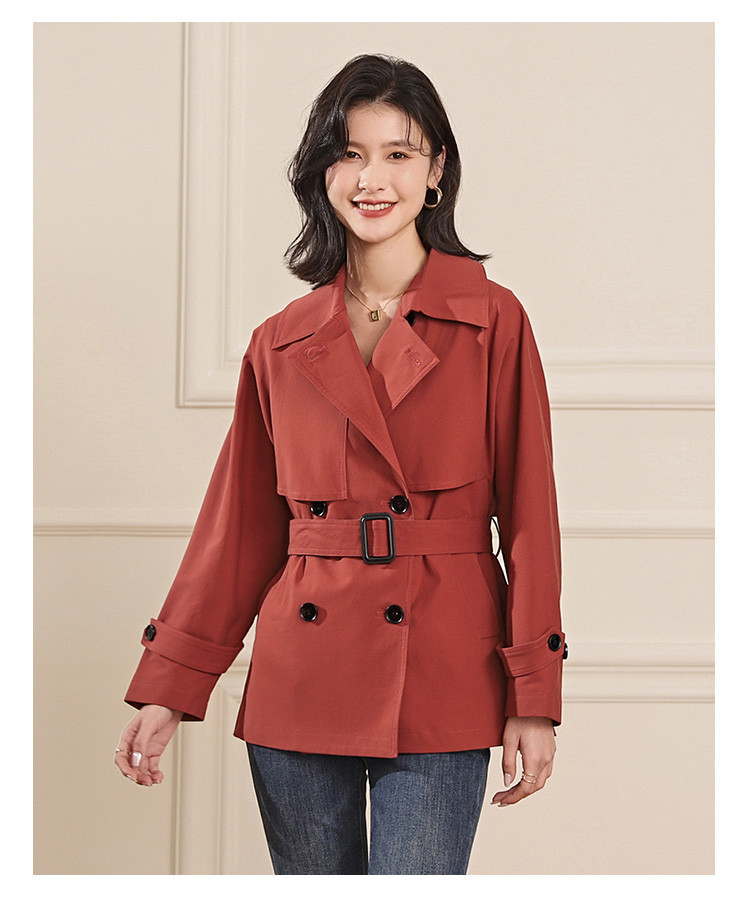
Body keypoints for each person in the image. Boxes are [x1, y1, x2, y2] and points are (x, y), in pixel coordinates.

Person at [115, 53, 567, 875]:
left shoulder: (493, 321)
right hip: (302, 677)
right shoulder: (281, 341)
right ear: (322, 170)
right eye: (350, 153)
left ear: (436, 170)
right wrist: (168, 688)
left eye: (398, 153)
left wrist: (533, 695)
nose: (372, 178)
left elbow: (532, 521)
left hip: (444, 669)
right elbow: (239, 531)